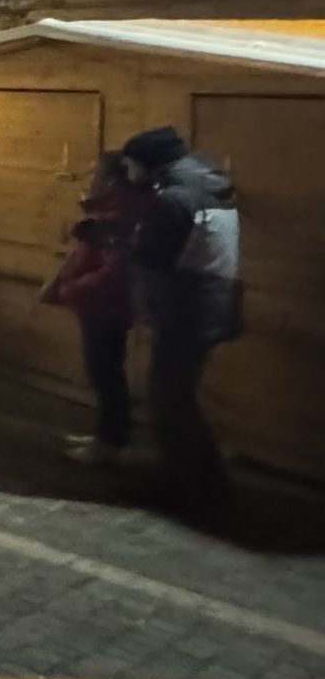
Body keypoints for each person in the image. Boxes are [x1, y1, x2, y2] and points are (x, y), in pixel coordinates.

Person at [121, 127, 241, 511]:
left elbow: (150, 258)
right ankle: (204, 486)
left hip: (184, 311)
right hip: (210, 306)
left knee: (171, 404)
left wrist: (121, 244)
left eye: (129, 164)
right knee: (179, 401)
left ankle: (190, 492)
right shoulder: (210, 188)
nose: (127, 172)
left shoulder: (172, 200)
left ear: (148, 163)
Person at [43, 153, 148, 467]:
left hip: (106, 305)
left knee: (105, 373)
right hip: (98, 304)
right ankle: (106, 434)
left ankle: (109, 442)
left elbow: (116, 270)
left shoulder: (121, 213)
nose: (90, 177)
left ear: (112, 178)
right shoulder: (109, 207)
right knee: (102, 371)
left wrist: (73, 288)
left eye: (96, 173)